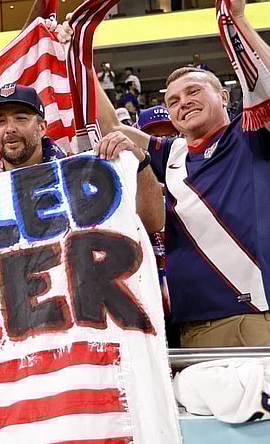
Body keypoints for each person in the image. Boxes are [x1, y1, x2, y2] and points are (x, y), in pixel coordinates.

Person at [94, 0, 270, 347]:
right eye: (172, 100)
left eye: (193, 92)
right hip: (194, 326)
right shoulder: (173, 153)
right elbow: (113, 126)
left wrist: (240, 22)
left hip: (256, 316)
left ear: (224, 95)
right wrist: (80, 61)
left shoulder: (250, 133)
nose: (182, 102)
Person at [0, 84, 165, 236]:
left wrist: (140, 162)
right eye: (0, 122)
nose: (9, 128)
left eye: (20, 119)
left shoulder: (81, 174)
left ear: (43, 127)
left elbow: (153, 223)